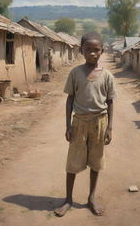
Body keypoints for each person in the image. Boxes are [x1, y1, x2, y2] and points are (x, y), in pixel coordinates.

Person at [54, 32, 116, 217]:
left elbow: (110, 102)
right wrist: (67, 125)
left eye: (96, 50)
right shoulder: (75, 73)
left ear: (102, 51)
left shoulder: (106, 76)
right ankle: (68, 199)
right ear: (81, 50)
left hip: (99, 122)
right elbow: (70, 99)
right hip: (79, 122)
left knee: (96, 162)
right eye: (88, 50)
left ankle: (91, 198)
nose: (92, 53)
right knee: (73, 162)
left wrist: (110, 128)